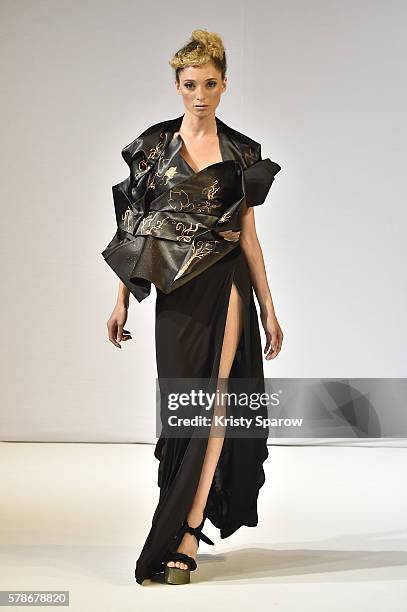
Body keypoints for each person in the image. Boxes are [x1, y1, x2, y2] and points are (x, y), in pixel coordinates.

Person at [102, 28, 284, 585]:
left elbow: (249, 237)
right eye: (190, 85)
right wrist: (120, 301)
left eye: (210, 84)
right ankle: (180, 512)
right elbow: (132, 227)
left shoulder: (241, 152)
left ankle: (188, 528)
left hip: (226, 284)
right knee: (183, 405)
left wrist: (269, 308)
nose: (200, 94)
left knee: (217, 400)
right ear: (176, 86)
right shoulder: (153, 148)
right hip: (176, 293)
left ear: (224, 85)